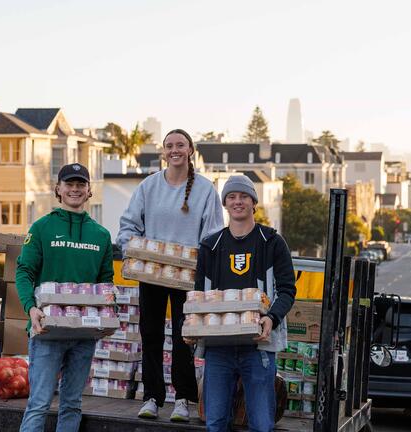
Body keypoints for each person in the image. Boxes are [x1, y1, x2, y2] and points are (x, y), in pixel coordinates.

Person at [117, 129, 224, 422]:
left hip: (188, 275)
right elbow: (128, 225)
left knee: (183, 338)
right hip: (151, 272)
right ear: (163, 151)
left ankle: (183, 399)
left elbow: (213, 235)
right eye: (169, 146)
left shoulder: (205, 190)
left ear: (190, 149)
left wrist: (204, 268)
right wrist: (131, 248)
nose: (175, 150)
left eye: (180, 145)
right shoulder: (149, 186)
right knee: (150, 334)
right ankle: (151, 397)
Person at [189, 174, 297, 432]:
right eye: (232, 197)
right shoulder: (210, 246)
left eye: (244, 196)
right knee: (215, 423)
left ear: (254, 202)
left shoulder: (271, 242)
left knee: (261, 424)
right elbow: (198, 296)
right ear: (225, 204)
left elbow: (287, 290)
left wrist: (271, 318)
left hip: (258, 347)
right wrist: (191, 326)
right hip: (218, 347)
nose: (238, 202)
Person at [15, 163, 115, 431]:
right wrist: (30, 308)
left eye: (80, 184)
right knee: (39, 404)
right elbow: (24, 272)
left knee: (72, 404)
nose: (75, 189)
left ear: (89, 190)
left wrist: (108, 312)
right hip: (46, 329)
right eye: (69, 184)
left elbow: (105, 282)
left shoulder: (101, 235)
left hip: (84, 334)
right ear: (57, 189)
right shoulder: (41, 228)